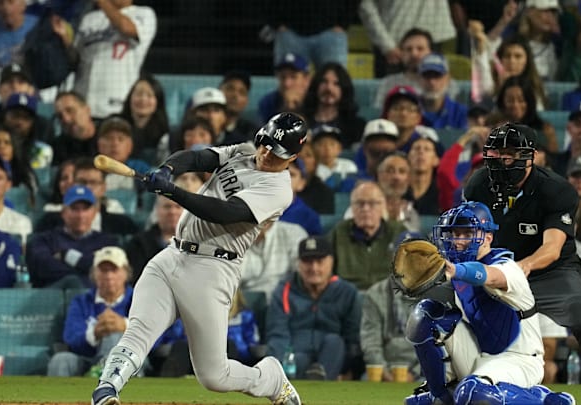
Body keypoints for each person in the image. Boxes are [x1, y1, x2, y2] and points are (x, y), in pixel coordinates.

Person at [90, 112, 307, 405]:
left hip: (213, 269)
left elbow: (225, 213)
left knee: (213, 376)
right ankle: (106, 389)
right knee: (139, 330)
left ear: (293, 156)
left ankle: (270, 378)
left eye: (278, 152)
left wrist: (173, 191)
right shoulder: (244, 151)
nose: (267, 153)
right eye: (266, 144)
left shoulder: (279, 189)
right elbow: (196, 159)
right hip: (172, 255)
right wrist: (168, 169)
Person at [403, 201, 574, 405]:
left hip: (520, 359)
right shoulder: (456, 270)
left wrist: (457, 271)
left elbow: (491, 276)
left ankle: (544, 399)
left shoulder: (507, 266)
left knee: (474, 394)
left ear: (488, 237)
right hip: (482, 353)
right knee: (425, 315)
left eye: (467, 234)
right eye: (454, 234)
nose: (458, 240)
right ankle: (440, 395)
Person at [464, 122, 581, 372]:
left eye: (509, 153)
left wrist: (522, 267)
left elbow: (552, 248)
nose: (501, 160)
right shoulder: (478, 185)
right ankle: (452, 383)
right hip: (497, 269)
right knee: (448, 309)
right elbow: (471, 236)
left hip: (552, 272)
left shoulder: (556, 190)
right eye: (496, 153)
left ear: (529, 157)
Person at [266, 235, 362, 381]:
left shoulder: (347, 292)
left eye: (320, 261)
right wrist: (282, 365)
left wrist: (350, 369)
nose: (314, 268)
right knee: (297, 358)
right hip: (296, 357)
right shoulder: (283, 291)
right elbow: (278, 334)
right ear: (299, 263)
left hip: (333, 357)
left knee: (334, 342)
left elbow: (352, 338)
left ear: (331, 261)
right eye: (307, 262)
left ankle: (319, 379)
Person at [53, 0, 157, 118]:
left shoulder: (144, 14)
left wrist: (102, 2)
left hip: (118, 104)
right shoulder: (89, 19)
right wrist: (66, 40)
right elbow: (75, 60)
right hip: (83, 107)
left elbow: (126, 28)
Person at [47, 246, 133, 377]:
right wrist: (94, 333)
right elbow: (71, 338)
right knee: (60, 360)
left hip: (131, 363)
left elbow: (160, 334)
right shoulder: (81, 302)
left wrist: (126, 326)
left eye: (114, 270)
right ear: (93, 274)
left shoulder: (139, 299)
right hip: (88, 361)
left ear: (126, 273)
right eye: (103, 271)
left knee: (114, 336)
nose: (109, 276)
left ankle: (104, 375)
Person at [27, 185, 119, 289]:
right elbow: (44, 268)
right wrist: (88, 266)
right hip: (54, 297)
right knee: (73, 282)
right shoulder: (45, 240)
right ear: (63, 212)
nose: (80, 215)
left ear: (94, 212)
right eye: (74, 208)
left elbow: (110, 270)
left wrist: (67, 255)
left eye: (85, 209)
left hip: (96, 298)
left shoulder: (108, 242)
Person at [329, 181, 407, 290]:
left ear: (383, 206)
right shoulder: (339, 232)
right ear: (352, 207)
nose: (365, 209)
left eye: (372, 203)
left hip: (388, 295)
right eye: (360, 203)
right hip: (350, 294)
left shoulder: (398, 231)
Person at [301, 62, 365, 150]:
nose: (329, 88)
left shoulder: (356, 126)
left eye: (336, 84)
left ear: (344, 89)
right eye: (324, 82)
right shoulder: (300, 121)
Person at [266, 1, 348, 68]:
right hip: (289, 32)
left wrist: (344, 22)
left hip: (332, 33)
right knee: (289, 83)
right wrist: (276, 22)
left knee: (334, 80)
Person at [120, 72, 170, 162]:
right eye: (138, 94)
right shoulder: (116, 125)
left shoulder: (165, 134)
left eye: (149, 95)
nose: (143, 99)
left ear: (158, 101)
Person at [0, 0, 38, 71]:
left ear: (23, 5)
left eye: (10, 2)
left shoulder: (36, 26)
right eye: (0, 3)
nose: (5, 8)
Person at [417, 53, 468, 130]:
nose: (432, 82)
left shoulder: (460, 113)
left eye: (437, 76)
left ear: (448, 78)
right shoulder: (408, 112)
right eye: (427, 76)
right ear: (419, 79)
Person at [258, 53, 311, 124]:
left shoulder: (316, 101)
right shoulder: (268, 102)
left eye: (293, 77)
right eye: (283, 77)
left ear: (306, 80)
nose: (287, 84)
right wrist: (286, 108)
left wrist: (298, 108)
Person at [51, 91, 99, 166]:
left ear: (87, 110)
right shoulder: (57, 148)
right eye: (60, 116)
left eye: (70, 111)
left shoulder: (108, 136)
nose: (66, 119)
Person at [219, 70, 258, 147]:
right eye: (230, 89)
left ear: (246, 101)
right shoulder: (202, 128)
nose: (235, 95)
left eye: (242, 92)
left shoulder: (252, 134)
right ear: (219, 91)